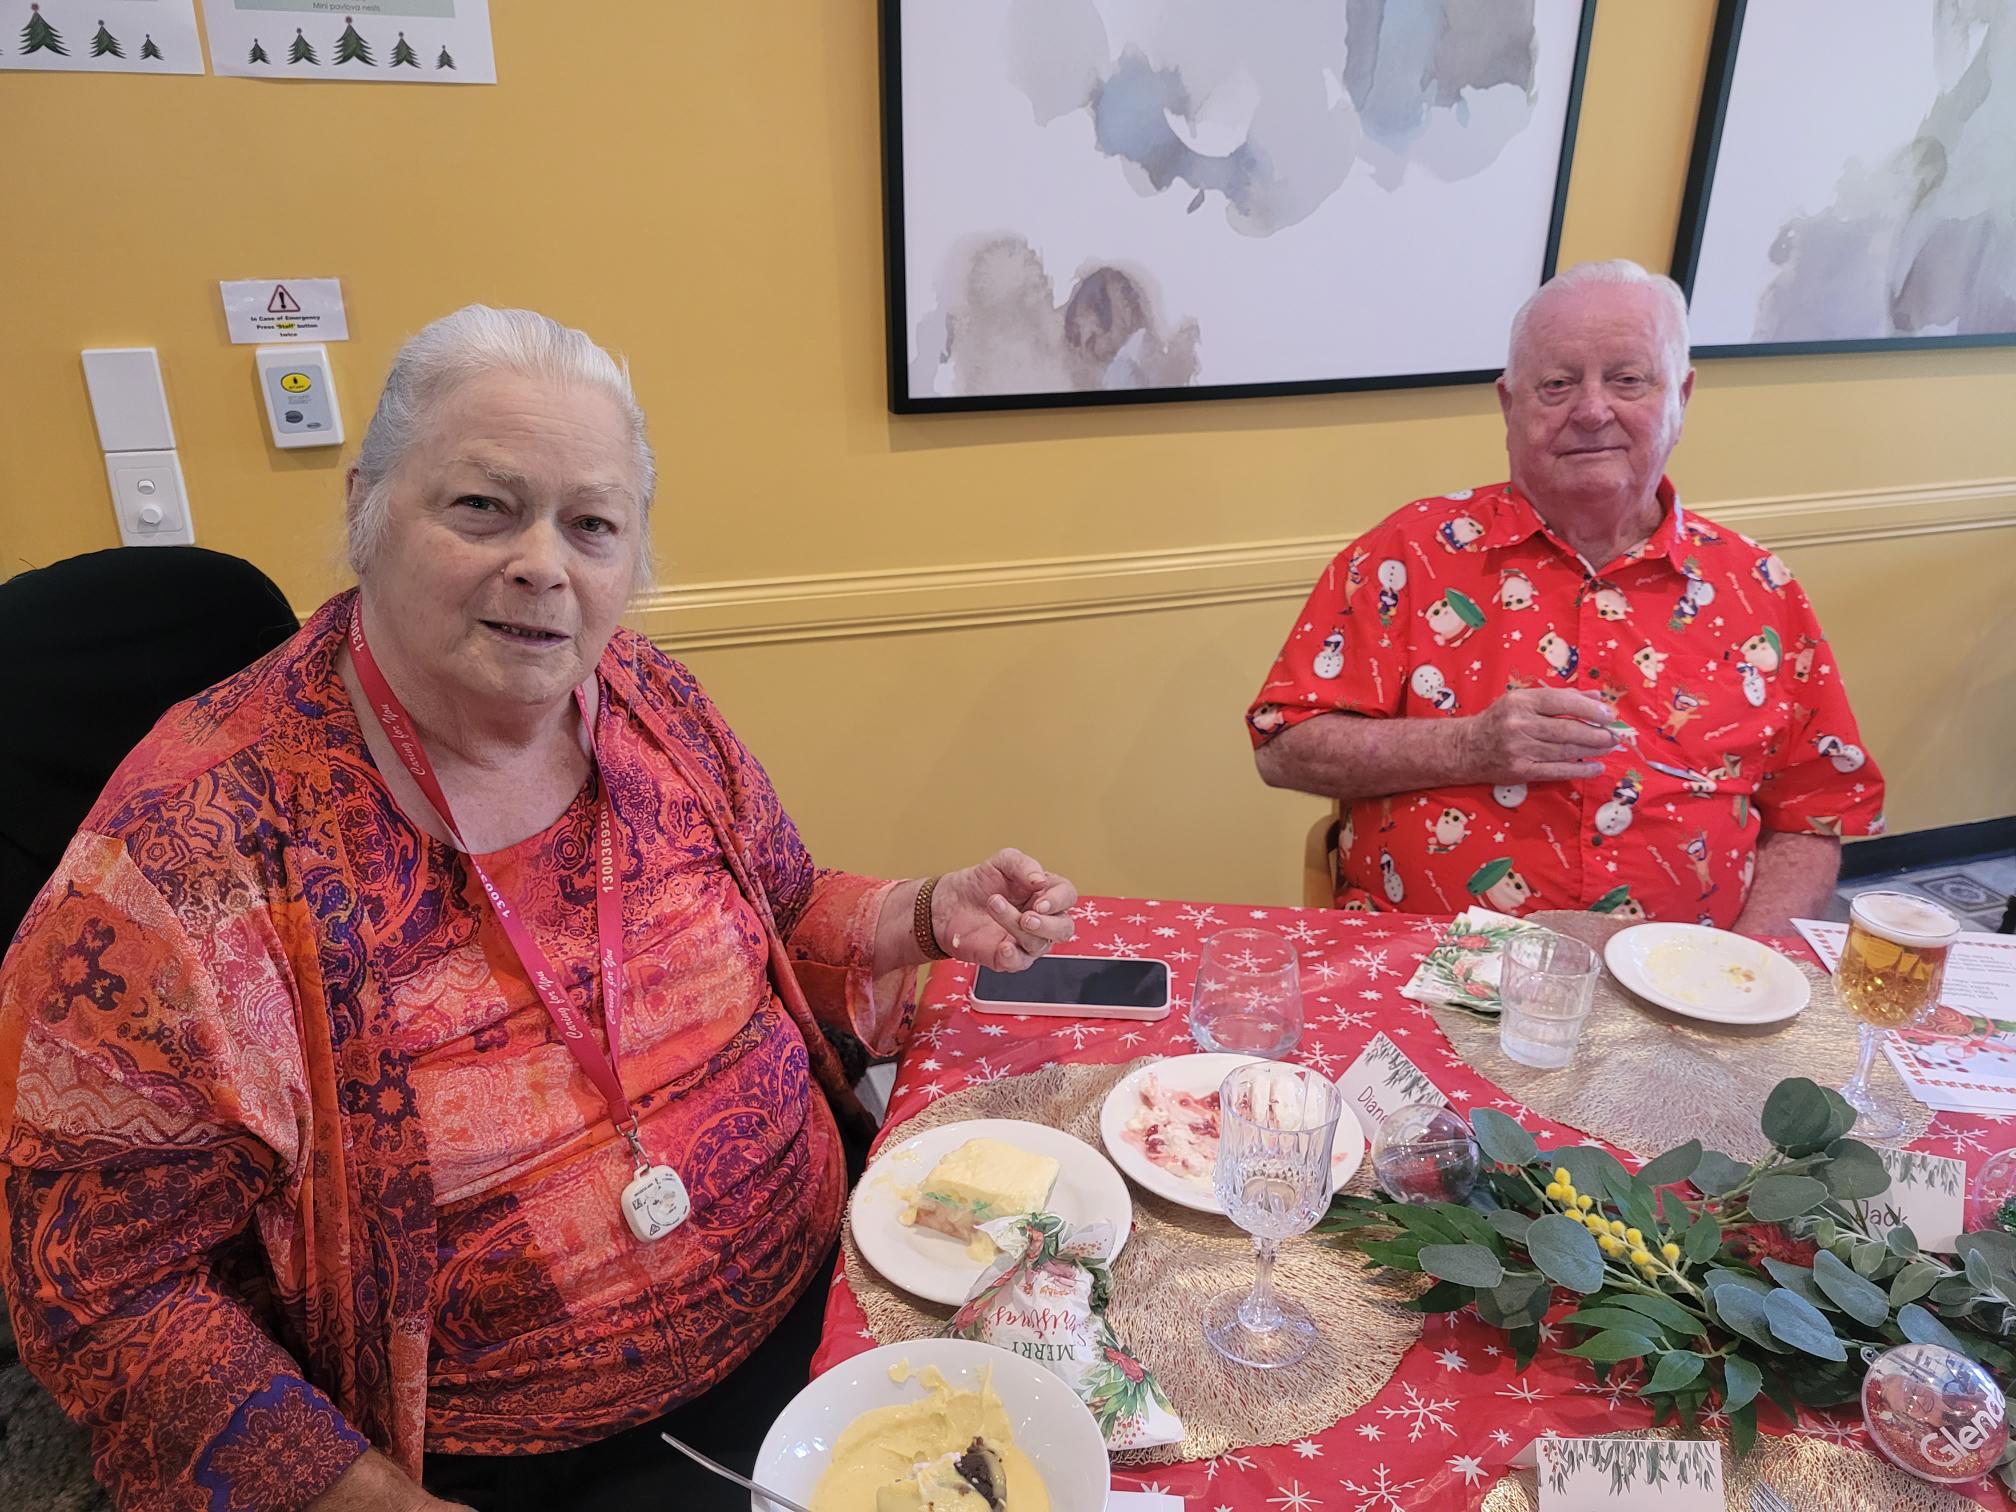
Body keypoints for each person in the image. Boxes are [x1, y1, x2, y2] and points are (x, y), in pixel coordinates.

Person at [0, 307, 1077, 1512]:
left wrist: (931, 910)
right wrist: (360, 1496)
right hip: (525, 1457)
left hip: (851, 1294)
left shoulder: (649, 700)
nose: (543, 564)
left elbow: (781, 902)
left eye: (592, 524)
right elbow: (106, 1289)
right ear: (368, 508)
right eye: (483, 507)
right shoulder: (186, 859)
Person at [1247, 260, 1882, 933]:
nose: (1592, 410)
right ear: (1508, 405)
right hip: (1429, 974)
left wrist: (1742, 972)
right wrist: (1466, 748)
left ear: (1682, 398)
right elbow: (1283, 745)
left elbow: (1813, 812)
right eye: (1557, 384)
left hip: (1681, 991)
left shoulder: (1759, 589)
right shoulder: (1410, 553)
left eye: (1628, 379)